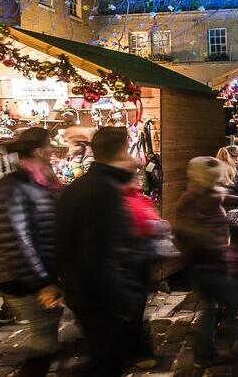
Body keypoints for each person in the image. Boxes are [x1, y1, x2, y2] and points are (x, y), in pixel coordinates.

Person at [56, 127, 158, 377]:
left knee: (104, 359)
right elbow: (102, 254)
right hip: (104, 298)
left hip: (86, 293)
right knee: (106, 363)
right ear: (122, 150)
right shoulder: (106, 192)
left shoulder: (77, 188)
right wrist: (125, 301)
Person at [0, 127, 63, 377]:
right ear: (39, 151)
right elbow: (17, 239)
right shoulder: (12, 186)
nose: (53, 150)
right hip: (23, 278)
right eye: (49, 145)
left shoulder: (41, 180)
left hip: (42, 274)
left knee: (50, 332)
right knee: (45, 337)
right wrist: (41, 282)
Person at [173, 157, 238, 366]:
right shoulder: (205, 199)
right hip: (210, 264)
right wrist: (218, 246)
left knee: (212, 308)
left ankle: (206, 354)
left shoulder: (197, 197)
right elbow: (192, 232)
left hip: (203, 264)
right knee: (228, 307)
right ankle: (231, 351)